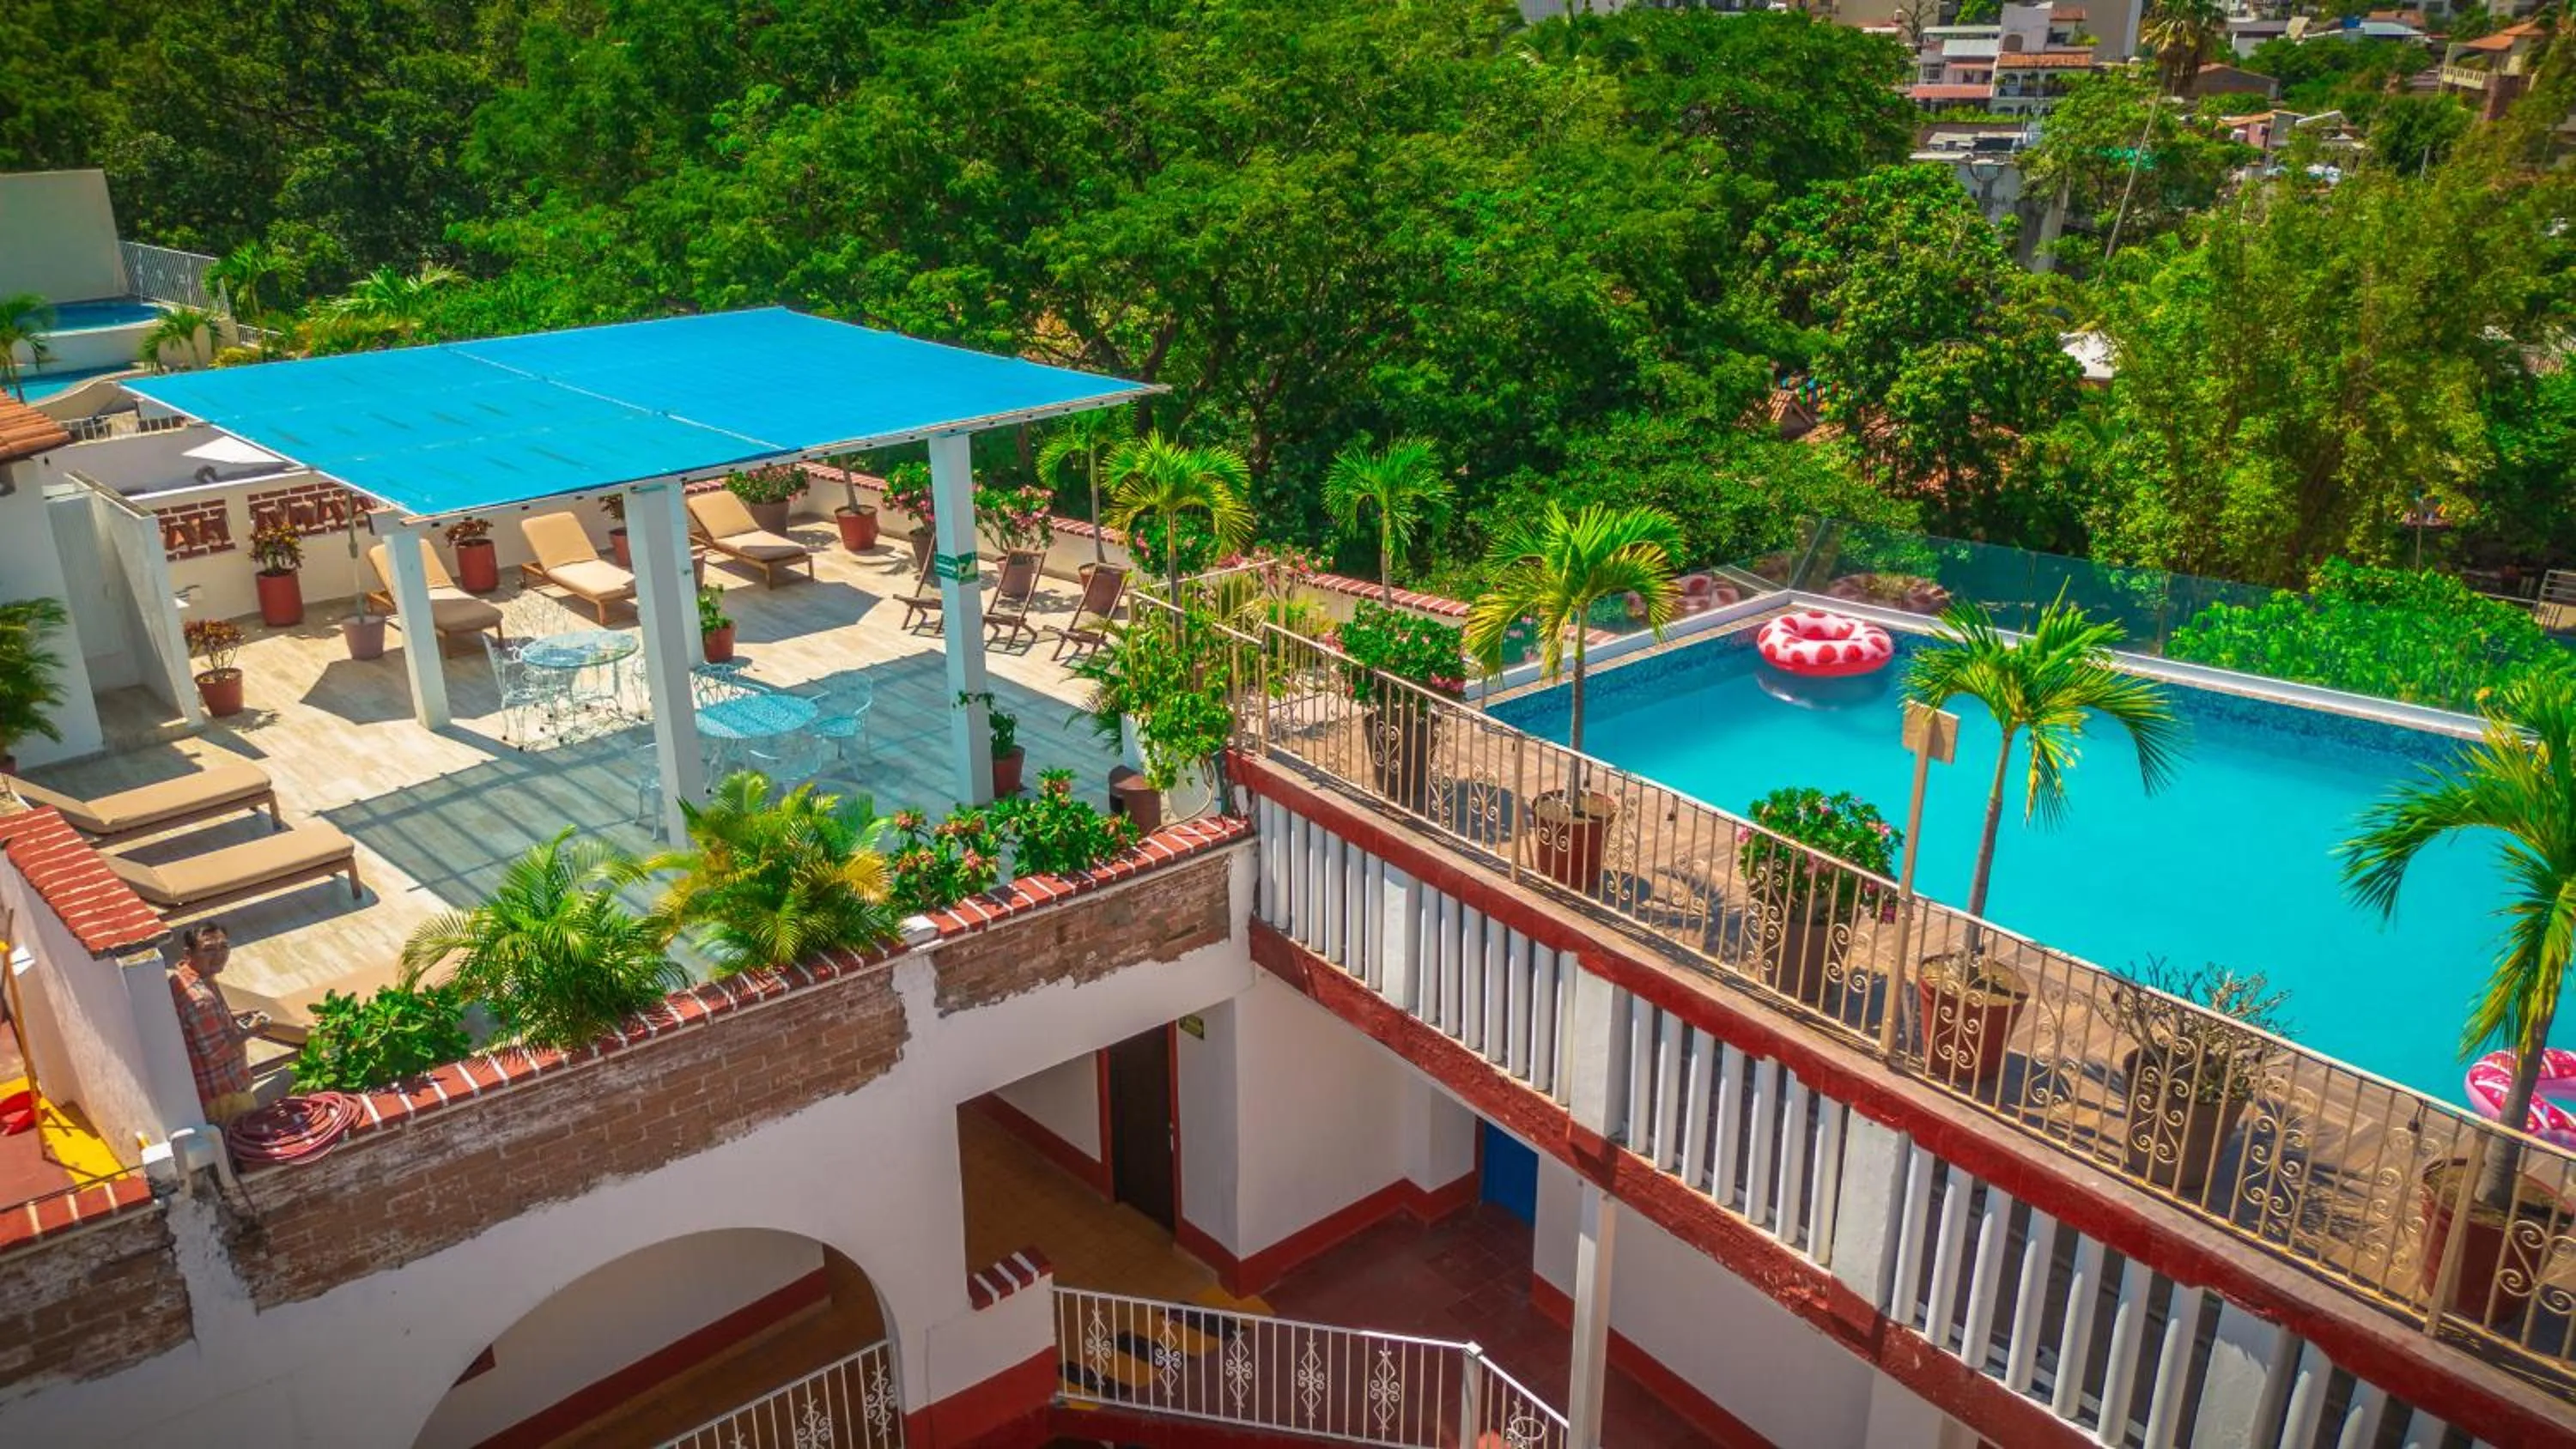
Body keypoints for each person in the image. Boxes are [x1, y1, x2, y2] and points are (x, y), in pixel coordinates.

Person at [167, 921, 259, 1125]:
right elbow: (217, 1052)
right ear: (188, 953)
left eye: (224, 947)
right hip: (225, 1093)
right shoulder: (201, 999)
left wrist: (234, 1015)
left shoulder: (181, 978)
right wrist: (252, 1031)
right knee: (247, 1141)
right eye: (209, 949)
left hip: (213, 1091)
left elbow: (205, 1025)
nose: (219, 955)